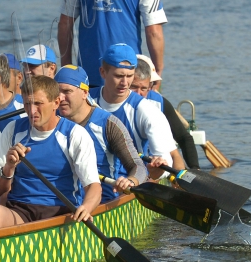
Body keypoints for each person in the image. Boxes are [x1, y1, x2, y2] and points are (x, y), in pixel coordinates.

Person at [0, 76, 102, 228]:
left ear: (56, 103)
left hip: (61, 213)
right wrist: (9, 168)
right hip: (20, 212)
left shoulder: (75, 134)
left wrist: (87, 207)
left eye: (38, 104)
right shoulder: (12, 130)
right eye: (27, 104)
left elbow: (93, 187)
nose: (32, 111)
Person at [55, 65, 148, 203]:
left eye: (67, 91)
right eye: (56, 92)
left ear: (85, 93)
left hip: (101, 204)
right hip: (59, 203)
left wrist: (130, 181)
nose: (60, 98)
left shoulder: (109, 124)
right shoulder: (50, 118)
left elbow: (138, 167)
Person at [89, 44, 184, 179]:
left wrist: (156, 171)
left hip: (128, 183)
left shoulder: (147, 111)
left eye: (129, 76)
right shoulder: (85, 100)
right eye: (119, 76)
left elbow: (166, 164)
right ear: (103, 72)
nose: (124, 83)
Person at [131, 55, 200, 169]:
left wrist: (195, 169)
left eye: (144, 88)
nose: (139, 94)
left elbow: (183, 139)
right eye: (134, 87)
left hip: (154, 165)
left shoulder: (158, 102)